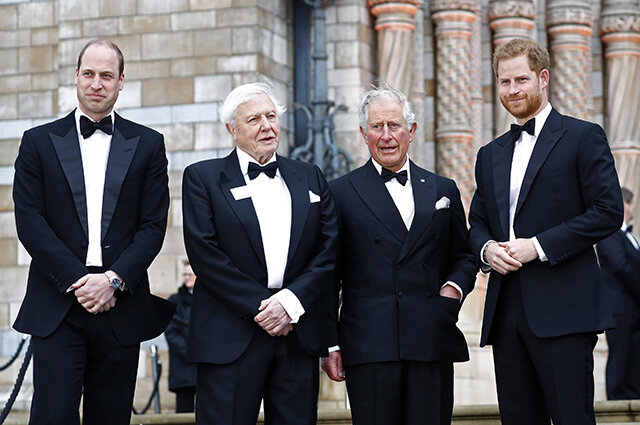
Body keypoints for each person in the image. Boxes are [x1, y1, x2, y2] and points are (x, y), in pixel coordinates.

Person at [12, 39, 175, 425]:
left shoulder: (149, 144)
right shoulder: (37, 142)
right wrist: (79, 280)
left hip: (121, 305)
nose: (96, 83)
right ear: (76, 77)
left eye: (106, 76)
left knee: (112, 418)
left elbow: (154, 226)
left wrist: (112, 280)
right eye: (89, 74)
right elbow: (30, 221)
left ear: (121, 82)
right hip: (58, 303)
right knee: (51, 417)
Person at [468, 38, 623, 425]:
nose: (512, 90)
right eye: (504, 82)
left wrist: (536, 246)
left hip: (565, 312)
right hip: (506, 314)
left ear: (543, 78)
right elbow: (478, 221)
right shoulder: (490, 153)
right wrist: (487, 249)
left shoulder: (583, 136)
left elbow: (608, 212)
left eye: (521, 79)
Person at [182, 82, 339, 425]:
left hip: (297, 336)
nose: (266, 126)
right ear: (232, 130)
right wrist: (264, 307)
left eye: (271, 116)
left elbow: (327, 252)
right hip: (229, 338)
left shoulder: (310, 176)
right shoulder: (203, 178)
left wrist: (289, 305)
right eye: (254, 119)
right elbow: (205, 254)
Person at [322, 87, 477, 425]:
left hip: (430, 338)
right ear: (364, 134)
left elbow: (464, 256)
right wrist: (330, 344)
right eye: (377, 127)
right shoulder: (339, 192)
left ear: (412, 130)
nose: (387, 136)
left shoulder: (442, 188)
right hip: (369, 346)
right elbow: (326, 274)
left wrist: (451, 291)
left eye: (395, 125)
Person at [597, 187, 640, 400]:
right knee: (619, 355)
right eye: (631, 204)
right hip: (619, 309)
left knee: (634, 357)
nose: (633, 209)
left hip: (635, 309)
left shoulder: (631, 237)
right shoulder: (608, 233)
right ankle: (615, 402)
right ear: (624, 205)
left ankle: (633, 396)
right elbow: (621, 267)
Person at [165, 261, 198, 413]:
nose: (187, 278)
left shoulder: (209, 300)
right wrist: (191, 352)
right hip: (184, 367)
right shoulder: (175, 301)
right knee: (184, 412)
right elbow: (171, 333)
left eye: (190, 274)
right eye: (185, 274)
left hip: (205, 368)